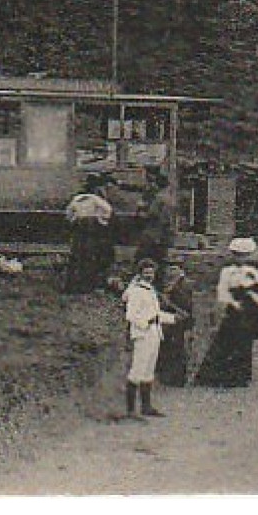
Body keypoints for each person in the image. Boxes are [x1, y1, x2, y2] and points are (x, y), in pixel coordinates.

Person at [194, 237, 258, 388]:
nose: (242, 259)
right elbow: (222, 291)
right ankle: (222, 376)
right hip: (234, 309)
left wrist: (255, 300)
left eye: (245, 255)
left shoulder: (252, 271)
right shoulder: (228, 271)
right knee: (228, 339)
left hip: (249, 308)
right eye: (238, 255)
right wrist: (233, 303)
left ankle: (241, 375)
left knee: (245, 341)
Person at [122, 258, 174, 417]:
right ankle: (130, 410)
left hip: (154, 333)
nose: (149, 275)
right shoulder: (136, 291)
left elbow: (155, 313)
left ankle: (146, 407)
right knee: (138, 369)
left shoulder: (150, 289)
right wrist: (146, 323)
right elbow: (131, 315)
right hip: (143, 334)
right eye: (146, 272)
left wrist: (173, 319)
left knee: (149, 370)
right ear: (140, 273)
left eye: (151, 272)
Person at [63, 177, 114, 293]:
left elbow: (68, 214)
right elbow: (108, 210)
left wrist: (74, 219)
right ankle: (88, 284)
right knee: (90, 256)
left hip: (79, 229)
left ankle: (73, 284)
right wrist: (100, 219)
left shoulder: (77, 199)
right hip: (91, 230)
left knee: (77, 256)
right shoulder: (95, 199)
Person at [156, 263, 195, 387]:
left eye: (175, 268)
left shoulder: (185, 285)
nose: (171, 271)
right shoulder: (166, 283)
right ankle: (165, 377)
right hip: (168, 321)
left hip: (180, 322)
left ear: (180, 270)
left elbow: (188, 306)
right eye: (170, 268)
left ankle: (177, 379)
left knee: (178, 349)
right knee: (167, 347)